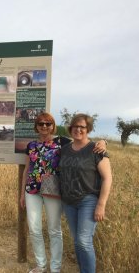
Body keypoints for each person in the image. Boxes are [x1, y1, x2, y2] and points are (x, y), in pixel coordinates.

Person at [20, 112, 107, 273]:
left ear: (53, 126)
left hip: (53, 190)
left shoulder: (62, 142)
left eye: (48, 123)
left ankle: (55, 268)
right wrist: (21, 194)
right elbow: (27, 170)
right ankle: (41, 265)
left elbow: (83, 142)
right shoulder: (31, 145)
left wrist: (103, 141)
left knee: (54, 229)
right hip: (32, 190)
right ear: (36, 127)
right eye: (41, 124)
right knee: (34, 228)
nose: (44, 126)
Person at [59, 114, 112, 273]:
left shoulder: (96, 150)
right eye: (75, 126)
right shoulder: (65, 149)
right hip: (68, 201)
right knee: (77, 241)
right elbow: (46, 136)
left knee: (83, 241)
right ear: (70, 128)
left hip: (88, 200)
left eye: (82, 127)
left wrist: (101, 205)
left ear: (88, 129)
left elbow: (107, 178)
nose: (78, 129)